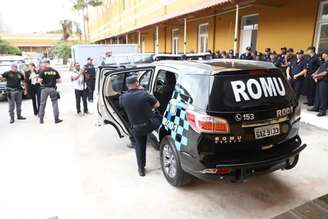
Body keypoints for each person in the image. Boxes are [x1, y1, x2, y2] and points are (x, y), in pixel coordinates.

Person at [119, 75, 161, 176]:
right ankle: (160, 137)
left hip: (137, 127)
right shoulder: (144, 93)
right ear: (137, 83)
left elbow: (121, 107)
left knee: (139, 145)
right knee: (160, 118)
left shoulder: (122, 97)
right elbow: (157, 105)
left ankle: (141, 169)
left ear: (127, 85)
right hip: (150, 125)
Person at [38, 60, 63, 124]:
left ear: (46, 64)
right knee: (55, 103)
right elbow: (60, 80)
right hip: (53, 89)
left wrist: (42, 83)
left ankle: (41, 120)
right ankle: (56, 119)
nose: (43, 65)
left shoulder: (42, 71)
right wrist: (54, 81)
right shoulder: (54, 71)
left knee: (42, 104)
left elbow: (39, 81)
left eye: (43, 63)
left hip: (44, 89)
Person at [308, 50, 328, 116]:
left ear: (326, 55)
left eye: (323, 54)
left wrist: (316, 76)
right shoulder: (324, 62)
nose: (322, 55)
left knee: (323, 96)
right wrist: (315, 73)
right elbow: (319, 69)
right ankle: (316, 107)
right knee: (318, 95)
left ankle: (322, 111)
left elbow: (325, 72)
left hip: (325, 81)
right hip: (319, 80)